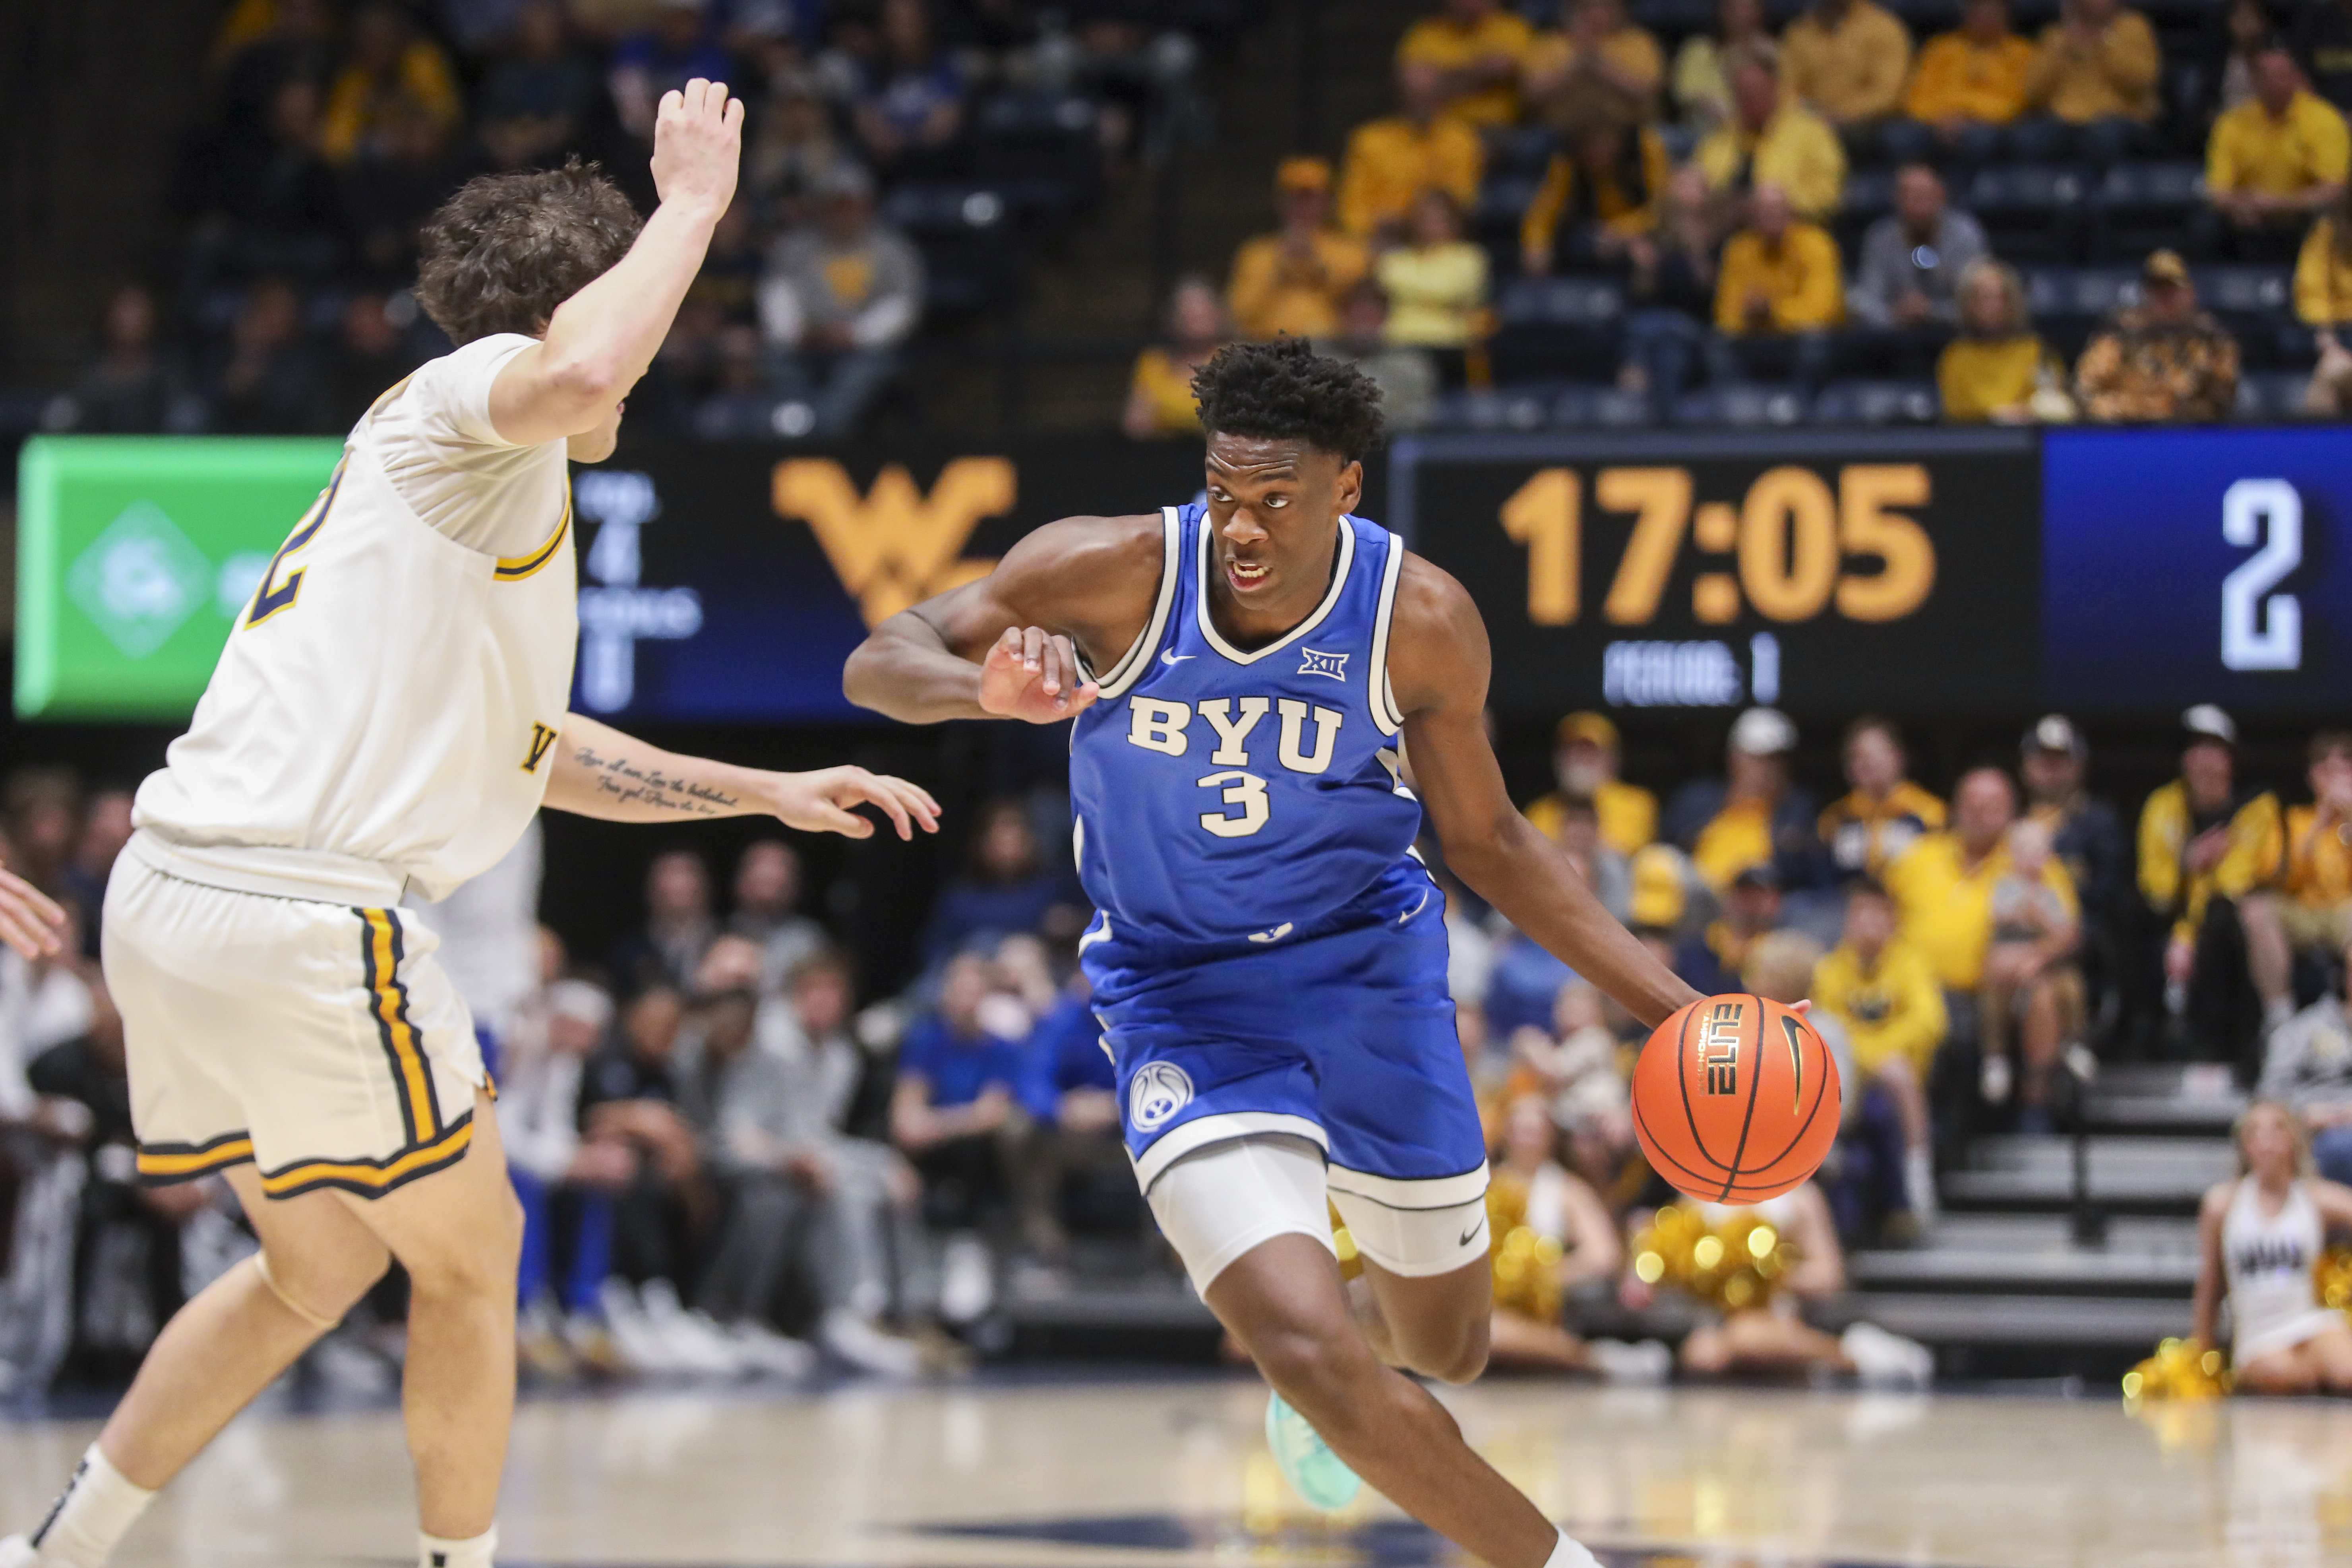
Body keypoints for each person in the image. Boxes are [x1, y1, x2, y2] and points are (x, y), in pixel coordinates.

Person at [0, 85, 938, 1568]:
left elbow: (529, 747)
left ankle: (61, 1544)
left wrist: (759, 791)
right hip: (299, 909)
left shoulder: (465, 494)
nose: (655, 348)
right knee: (476, 1248)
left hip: (183, 899)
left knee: (314, 1268)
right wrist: (695, 202)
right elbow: (577, 371)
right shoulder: (482, 390)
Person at [844, 336, 1709, 1567]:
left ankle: (1346, 1353)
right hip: (1180, 1000)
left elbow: (1491, 841)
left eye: (1274, 501)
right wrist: (979, 690)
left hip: (1368, 978)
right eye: (1222, 496)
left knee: (1447, 1344)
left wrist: (1671, 1006)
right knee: (1309, 1355)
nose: (1239, 529)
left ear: (1344, 490)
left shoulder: (1419, 619)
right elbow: (879, 660)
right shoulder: (1108, 569)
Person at [1661, 1182, 1931, 1384]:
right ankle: (1842, 1358)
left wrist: (1768, 1274)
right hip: (1715, 1323)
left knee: (1748, 1339)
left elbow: (1830, 1276)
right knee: (1701, 1356)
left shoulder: (1798, 1197)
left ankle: (1854, 1356)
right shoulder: (1694, 1195)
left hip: (1779, 1319)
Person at [2139, 705, 2288, 1062]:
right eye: (2194, 749)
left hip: (2229, 922)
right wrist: (2188, 864)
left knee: (2224, 921)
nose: (2203, 760)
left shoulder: (2257, 807)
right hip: (2172, 917)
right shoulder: (2162, 805)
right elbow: (2155, 885)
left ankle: (2236, 1051)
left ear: (2231, 758)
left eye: (2213, 749)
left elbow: (2237, 882)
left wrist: (2187, 937)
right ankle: (2152, 1049)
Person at [1481, 1096, 1652, 1376]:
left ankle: (1587, 1359)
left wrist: (1542, 1277)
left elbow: (1604, 1256)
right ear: (1506, 1133)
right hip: (1488, 1305)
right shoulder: (1484, 1185)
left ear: (1551, 1137)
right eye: (1521, 1129)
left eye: (1536, 1131)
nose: (1528, 1138)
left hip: (1545, 1312)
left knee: (1494, 1336)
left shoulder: (1566, 1189)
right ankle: (1594, 1359)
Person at [755, 162, 925, 440]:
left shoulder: (893, 250)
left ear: (867, 205)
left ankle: (820, 435)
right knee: (775, 359)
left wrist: (856, 334)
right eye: (835, 205)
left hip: (866, 348)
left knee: (864, 371)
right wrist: (797, 333)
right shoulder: (795, 247)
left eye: (850, 204)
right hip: (806, 343)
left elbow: (903, 307)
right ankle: (798, 424)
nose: (843, 214)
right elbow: (778, 295)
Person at [2191, 1101, 2352, 1394]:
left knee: (2347, 1370)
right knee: (2285, 1375)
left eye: (2276, 1131)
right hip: (2258, 1334)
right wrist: (2202, 1357)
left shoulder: (2313, 1197)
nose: (2266, 1142)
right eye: (2256, 1133)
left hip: (2306, 1322)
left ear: (2293, 1140)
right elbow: (2210, 1283)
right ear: (2245, 1146)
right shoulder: (2223, 1204)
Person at [1812, 878, 1945, 1224]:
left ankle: (1917, 1176)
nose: (1869, 927)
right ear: (1848, 923)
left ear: (1892, 923)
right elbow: (1828, 1029)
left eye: (1877, 918)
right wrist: (1873, 1056)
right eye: (1861, 917)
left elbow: (1930, 1022)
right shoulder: (1829, 969)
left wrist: (1879, 1052)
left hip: (1903, 1073)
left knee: (1897, 1073)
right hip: (1850, 1072)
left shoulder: (1910, 962)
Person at [2202, 43, 2351, 262]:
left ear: (2296, 77)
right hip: (2248, 217)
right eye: (2268, 76)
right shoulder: (2232, 123)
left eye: (2283, 75)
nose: (2277, 83)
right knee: (2205, 224)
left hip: (2300, 217)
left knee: (2328, 220)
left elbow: (2334, 190)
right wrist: (2239, 205)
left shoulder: (2324, 120)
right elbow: (2217, 190)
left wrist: (2279, 204)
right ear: (2254, 81)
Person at [1978, 818, 2085, 1120]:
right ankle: (1995, 1058)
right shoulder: (2005, 886)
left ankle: (2070, 1046)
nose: (2033, 858)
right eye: (2024, 850)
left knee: (2063, 990)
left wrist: (2036, 955)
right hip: (2007, 965)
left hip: (2044, 966)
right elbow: (1999, 919)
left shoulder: (2052, 890)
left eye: (2039, 851)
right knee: (1996, 990)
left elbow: (2066, 937)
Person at [1844, 165, 1986, 375]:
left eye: (1925, 195)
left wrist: (1931, 312)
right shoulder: (1880, 237)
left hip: (1954, 339)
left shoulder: (1965, 234)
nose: (1919, 204)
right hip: (1891, 343)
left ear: (1942, 196)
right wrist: (1894, 315)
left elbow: (1979, 303)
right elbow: (1865, 300)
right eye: (1909, 196)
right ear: (1896, 200)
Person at [1663, 706, 1820, 894]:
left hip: (1760, 899)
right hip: (1699, 896)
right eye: (1757, 758)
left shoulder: (1797, 807)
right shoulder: (1698, 798)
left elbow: (1799, 869)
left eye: (1776, 759)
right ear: (1734, 757)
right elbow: (1670, 849)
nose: (1767, 768)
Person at [2073, 250, 2241, 424]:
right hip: (2126, 433)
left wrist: (2175, 408)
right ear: (2145, 294)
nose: (2165, 298)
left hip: (2188, 434)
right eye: (2157, 290)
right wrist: (2135, 407)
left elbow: (2222, 401)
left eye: (2172, 290)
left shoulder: (2210, 339)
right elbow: (2087, 390)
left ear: (2190, 293)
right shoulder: (2119, 335)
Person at [1708, 182, 1843, 395]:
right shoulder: (1738, 249)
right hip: (1755, 341)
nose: (1771, 216)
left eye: (1777, 210)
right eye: (1763, 210)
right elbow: (1725, 316)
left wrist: (1772, 311)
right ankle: (1740, 413)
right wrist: (1748, 315)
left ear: (1792, 213)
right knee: (1718, 346)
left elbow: (1825, 311)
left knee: (1815, 343)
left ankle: (1801, 414)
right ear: (1752, 216)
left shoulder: (1817, 245)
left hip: (1797, 341)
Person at [1338, 60, 1485, 243]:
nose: (1422, 103)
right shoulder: (1368, 141)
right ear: (1401, 97)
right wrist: (1372, 230)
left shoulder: (1462, 140)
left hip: (1441, 241)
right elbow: (1352, 212)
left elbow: (1463, 201)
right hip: (1381, 241)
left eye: (1429, 94)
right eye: (1414, 95)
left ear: (1441, 96)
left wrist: (1407, 220)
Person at [1227, 157, 1371, 343]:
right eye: (1295, 199)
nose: (1303, 207)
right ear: (1280, 203)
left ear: (1329, 203)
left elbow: (1361, 310)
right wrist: (1278, 267)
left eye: (1312, 199)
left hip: (1330, 351)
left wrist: (1318, 267)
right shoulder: (1256, 253)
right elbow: (1240, 312)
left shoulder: (1351, 251)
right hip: (1265, 348)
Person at [1696, 53, 1847, 225]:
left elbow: (1829, 195)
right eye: (1743, 92)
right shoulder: (1719, 138)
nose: (1750, 99)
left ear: (1775, 88)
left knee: (1769, 199)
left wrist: (1779, 204)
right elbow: (1704, 182)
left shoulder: (1812, 132)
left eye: (1757, 90)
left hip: (1792, 227)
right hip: (1725, 226)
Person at [1519, 114, 1671, 279]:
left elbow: (1664, 207)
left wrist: (1622, 232)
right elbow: (1543, 212)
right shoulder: (1567, 161)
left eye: (1603, 143)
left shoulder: (1646, 145)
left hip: (1648, 232)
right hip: (1595, 239)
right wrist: (1536, 245)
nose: (1597, 152)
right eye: (1589, 146)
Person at [2014, 0, 2161, 165]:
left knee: (2103, 137)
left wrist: (2104, 42)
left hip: (2121, 119)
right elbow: (2033, 93)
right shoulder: (2056, 36)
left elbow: (2141, 81)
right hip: (2065, 121)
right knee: (2032, 138)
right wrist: (2063, 46)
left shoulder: (2133, 28)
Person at [1893, 0, 2035, 167]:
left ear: (2007, 16)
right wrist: (1942, 117)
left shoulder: (2024, 54)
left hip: (1991, 126)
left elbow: (2018, 103)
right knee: (1901, 137)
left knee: (1980, 140)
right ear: (1966, 14)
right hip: (1936, 123)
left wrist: (1968, 114)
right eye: (1978, 11)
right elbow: (1915, 99)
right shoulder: (1940, 49)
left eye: (1992, 12)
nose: (1985, 18)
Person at [2257, 939, 2352, 1183]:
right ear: (2344, 976)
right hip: (2314, 1136)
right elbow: (2269, 1098)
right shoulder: (2301, 1030)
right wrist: (2303, 1117)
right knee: (2338, 1149)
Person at [1938, 257, 2071, 423]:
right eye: (1984, 299)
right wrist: (1994, 416)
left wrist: (2027, 412)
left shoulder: (2036, 351)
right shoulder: (1956, 356)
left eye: (2001, 298)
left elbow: (2054, 403)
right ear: (1968, 305)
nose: (1994, 307)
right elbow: (1954, 411)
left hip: (2027, 440)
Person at [1817, 716, 1946, 882]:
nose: (1870, 763)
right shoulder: (1835, 818)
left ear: (1899, 757)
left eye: (1879, 754)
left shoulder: (1932, 813)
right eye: (1859, 757)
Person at [1779, 0, 1914, 156]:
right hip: (1811, 122)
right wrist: (1810, 117)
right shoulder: (1798, 33)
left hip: (1867, 124)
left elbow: (1888, 94)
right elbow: (1786, 88)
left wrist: (1843, 116)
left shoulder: (1883, 28)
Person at [1522, 712, 1657, 859]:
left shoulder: (1637, 803)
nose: (1581, 759)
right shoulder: (1539, 812)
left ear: (1612, 759)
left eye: (1591, 751)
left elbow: (1627, 853)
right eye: (1574, 751)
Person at [1521, 0, 1667, 130]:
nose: (1597, 14)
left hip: (1627, 130)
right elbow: (1532, 95)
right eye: (1588, 7)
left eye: (1607, 7)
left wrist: (1601, 68)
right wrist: (1578, 66)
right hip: (1560, 131)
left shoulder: (1638, 42)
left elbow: (1646, 93)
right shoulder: (1551, 43)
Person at [1376, 189, 1490, 354]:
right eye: (1425, 218)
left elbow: (1454, 291)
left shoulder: (1471, 256)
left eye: (1439, 219)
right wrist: (1438, 294)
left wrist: (1404, 289)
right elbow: (1382, 285)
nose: (1432, 225)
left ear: (1455, 222)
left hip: (1450, 344)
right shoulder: (1396, 258)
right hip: (1398, 340)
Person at [1396, 0, 1541, 129]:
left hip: (1503, 129)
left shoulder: (1514, 29)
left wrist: (1443, 80)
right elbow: (1415, 88)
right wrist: (1482, 74)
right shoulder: (1424, 35)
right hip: (1442, 132)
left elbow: (1527, 82)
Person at [2279, 732, 2352, 963]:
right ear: (2312, 776)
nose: (2335, 780)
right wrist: (2321, 823)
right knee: (2257, 910)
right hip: (2302, 911)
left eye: (2344, 770)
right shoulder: (2294, 819)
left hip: (2346, 909)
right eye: (2327, 771)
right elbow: (2286, 879)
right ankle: (2279, 1001)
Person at [611, 849, 720, 994]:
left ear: (706, 887)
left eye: (686, 875)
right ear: (650, 892)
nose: (677, 884)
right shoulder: (628, 952)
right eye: (667, 877)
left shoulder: (730, 938)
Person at [1669, 0, 1777, 131]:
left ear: (1760, 12)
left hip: (1763, 127)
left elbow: (1785, 95)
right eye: (1734, 8)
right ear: (1721, 11)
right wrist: (1717, 109)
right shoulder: (1697, 49)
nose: (1741, 15)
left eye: (1748, 8)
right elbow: (1685, 93)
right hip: (1704, 130)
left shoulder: (1773, 51)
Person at [2296, 186, 2352, 414]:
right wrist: (2328, 337)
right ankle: (2314, 450)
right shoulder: (2329, 232)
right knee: (2330, 372)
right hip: (2343, 338)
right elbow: (2312, 294)